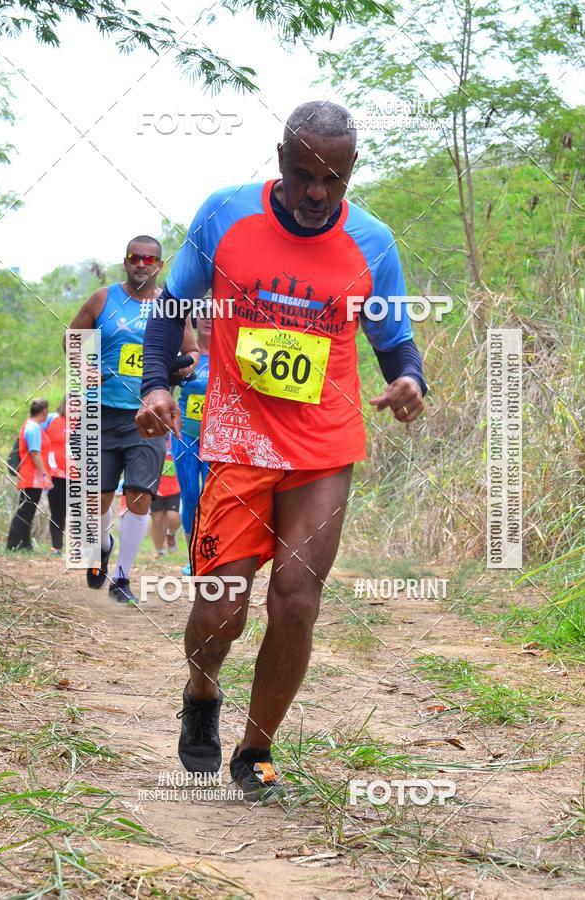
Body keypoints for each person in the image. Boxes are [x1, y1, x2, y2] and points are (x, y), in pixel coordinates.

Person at [137, 101, 427, 800]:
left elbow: (394, 339)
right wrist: (152, 385)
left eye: (333, 178)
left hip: (324, 446)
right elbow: (172, 306)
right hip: (238, 440)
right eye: (303, 175)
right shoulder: (225, 215)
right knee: (220, 612)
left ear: (352, 170)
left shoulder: (373, 240)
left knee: (296, 602)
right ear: (279, 159)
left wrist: (410, 380)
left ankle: (256, 749)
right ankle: (202, 691)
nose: (316, 193)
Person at [65, 236, 197, 603]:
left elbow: (192, 350)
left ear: (159, 264)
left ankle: (122, 577)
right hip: (102, 413)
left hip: (149, 415)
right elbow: (72, 339)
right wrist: (85, 367)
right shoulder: (103, 299)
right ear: (125, 262)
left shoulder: (169, 306)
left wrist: (185, 371)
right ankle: (103, 544)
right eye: (135, 258)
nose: (142, 263)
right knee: (98, 501)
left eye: (149, 258)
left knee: (139, 496)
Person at [172, 306, 210, 574]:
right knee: (190, 494)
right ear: (196, 319)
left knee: (211, 496)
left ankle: (210, 554)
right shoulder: (184, 353)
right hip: (184, 433)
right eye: (204, 313)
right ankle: (192, 557)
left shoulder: (231, 352)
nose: (208, 318)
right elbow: (164, 387)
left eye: (214, 314)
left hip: (217, 437)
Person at [7, 399, 53, 551]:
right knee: (25, 511)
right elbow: (34, 453)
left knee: (27, 511)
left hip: (29, 476)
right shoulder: (33, 428)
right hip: (32, 477)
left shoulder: (31, 425)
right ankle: (13, 544)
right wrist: (45, 475)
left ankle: (25, 545)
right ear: (44, 411)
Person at [150, 433, 181, 560]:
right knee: (157, 518)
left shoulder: (178, 431)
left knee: (173, 517)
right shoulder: (153, 431)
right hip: (156, 483)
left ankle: (171, 534)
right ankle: (160, 551)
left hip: (176, 484)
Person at [44, 396, 68, 556]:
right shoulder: (52, 420)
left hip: (79, 477)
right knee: (57, 512)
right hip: (55, 475)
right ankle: (57, 547)